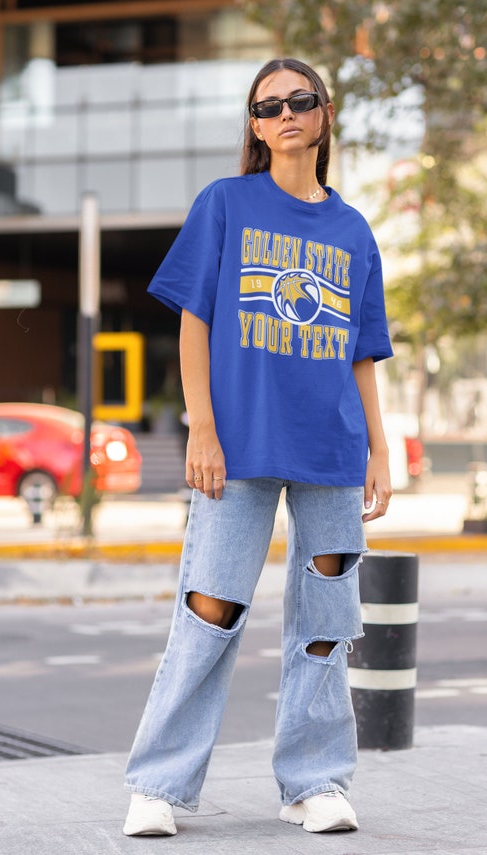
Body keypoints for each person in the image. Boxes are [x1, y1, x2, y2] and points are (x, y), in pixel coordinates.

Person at [123, 56, 393, 838]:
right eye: (268, 106)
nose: (284, 114)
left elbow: (362, 353)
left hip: (332, 446)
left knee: (326, 617)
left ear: (324, 114)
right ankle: (159, 783)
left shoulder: (353, 230)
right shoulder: (226, 203)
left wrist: (380, 449)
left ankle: (315, 781)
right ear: (256, 126)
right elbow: (195, 319)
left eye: (299, 100)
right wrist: (201, 425)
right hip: (237, 443)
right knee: (209, 607)